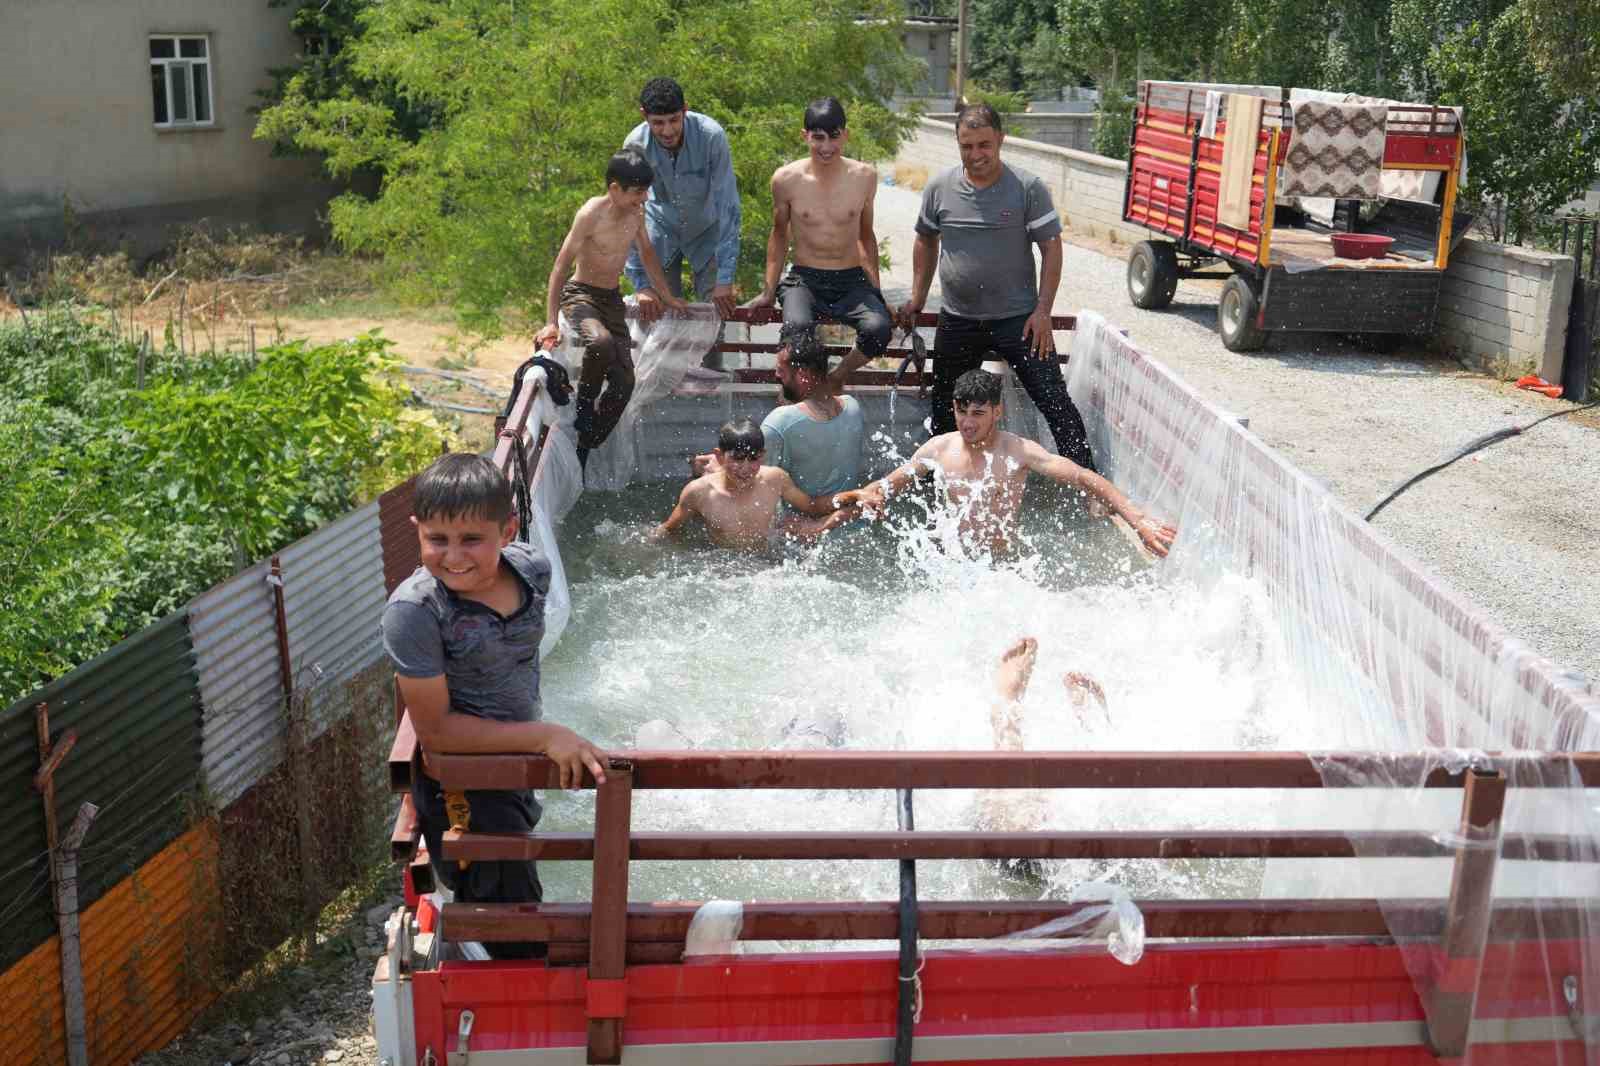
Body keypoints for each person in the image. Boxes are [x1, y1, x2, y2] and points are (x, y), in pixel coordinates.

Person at [381, 454, 608, 959]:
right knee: (510, 910)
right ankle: (519, 1000)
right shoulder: (416, 613)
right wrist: (546, 736)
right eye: (437, 539)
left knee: (515, 881)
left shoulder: (532, 572)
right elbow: (437, 732)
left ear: (506, 531)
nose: (454, 556)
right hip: (464, 783)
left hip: (517, 765)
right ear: (417, 530)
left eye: (471, 540)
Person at [897, 101, 1096, 470]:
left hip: (1020, 320)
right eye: (967, 146)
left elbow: (1051, 248)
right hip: (958, 320)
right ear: (957, 144)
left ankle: (1091, 489)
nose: (976, 154)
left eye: (984, 145)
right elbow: (925, 239)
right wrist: (917, 298)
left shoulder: (1027, 187)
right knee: (945, 410)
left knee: (1054, 402)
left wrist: (1042, 311)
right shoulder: (940, 187)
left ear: (1001, 140)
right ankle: (936, 492)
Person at [834, 369, 1175, 557]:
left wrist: (1138, 520)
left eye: (978, 413)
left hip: (1001, 568)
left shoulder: (1019, 452)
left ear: (997, 412)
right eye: (961, 412)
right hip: (950, 565)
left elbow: (1084, 477)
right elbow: (889, 484)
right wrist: (869, 494)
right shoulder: (938, 449)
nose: (967, 422)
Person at [536, 146, 685, 467]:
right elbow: (560, 267)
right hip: (580, 296)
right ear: (614, 188)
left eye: (646, 191)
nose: (643, 198)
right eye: (637, 192)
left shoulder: (636, 214)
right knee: (600, 342)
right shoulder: (591, 213)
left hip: (611, 299)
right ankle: (584, 408)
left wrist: (668, 296)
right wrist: (550, 321)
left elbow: (647, 255)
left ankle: (587, 440)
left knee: (624, 383)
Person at [742, 97, 892, 391]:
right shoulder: (785, 180)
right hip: (805, 280)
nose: (826, 146)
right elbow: (779, 235)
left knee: (879, 328)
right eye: (818, 138)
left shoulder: (865, 177)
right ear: (805, 136)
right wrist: (768, 291)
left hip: (851, 280)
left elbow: (865, 236)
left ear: (846, 135)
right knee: (796, 333)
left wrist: (877, 291)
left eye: (834, 136)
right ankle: (796, 397)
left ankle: (836, 377)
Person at [624, 77, 742, 367]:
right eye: (658, 122)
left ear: (685, 110)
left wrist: (725, 278)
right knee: (662, 316)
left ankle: (713, 388)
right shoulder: (635, 144)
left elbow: (728, 204)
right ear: (644, 116)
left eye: (674, 120)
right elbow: (626, 213)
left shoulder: (711, 135)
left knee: (715, 312)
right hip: (661, 229)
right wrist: (640, 283)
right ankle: (667, 391)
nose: (667, 130)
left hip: (707, 229)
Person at [692, 329, 865, 499]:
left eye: (781, 370)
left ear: (803, 375)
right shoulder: (852, 407)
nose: (776, 375)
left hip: (796, 523)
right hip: (847, 514)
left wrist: (718, 470)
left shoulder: (781, 421)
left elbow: (749, 484)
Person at [653, 417, 854, 551]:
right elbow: (670, 530)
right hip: (723, 566)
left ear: (763, 456)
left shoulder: (775, 479)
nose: (746, 468)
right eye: (738, 459)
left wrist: (854, 496)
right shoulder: (699, 493)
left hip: (767, 561)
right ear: (720, 456)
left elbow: (812, 506)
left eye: (754, 459)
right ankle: (699, 466)